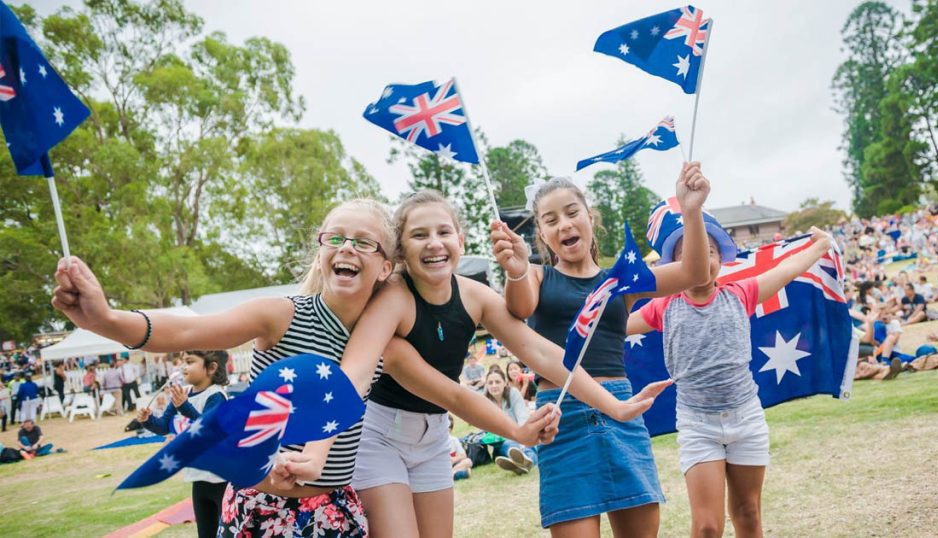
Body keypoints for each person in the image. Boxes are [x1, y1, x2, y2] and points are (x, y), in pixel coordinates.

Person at [52, 199, 556, 538]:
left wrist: (516, 427)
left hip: (335, 508)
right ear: (321, 251)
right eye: (335, 237)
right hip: (260, 505)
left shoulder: (387, 341)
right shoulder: (282, 314)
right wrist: (108, 319)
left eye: (363, 242)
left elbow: (455, 394)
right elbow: (188, 331)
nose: (347, 248)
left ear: (386, 267)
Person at [343, 190, 670, 538]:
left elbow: (542, 352)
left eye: (444, 232)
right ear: (401, 249)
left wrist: (615, 407)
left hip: (435, 435)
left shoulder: (474, 296)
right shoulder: (394, 298)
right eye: (419, 235)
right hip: (381, 436)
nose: (434, 244)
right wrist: (516, 431)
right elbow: (446, 394)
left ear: (461, 239)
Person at [490, 162, 712, 537]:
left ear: (590, 217)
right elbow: (520, 307)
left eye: (572, 212)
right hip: (561, 420)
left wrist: (691, 212)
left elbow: (694, 273)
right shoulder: (538, 276)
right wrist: (515, 270)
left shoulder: (623, 278)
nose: (564, 224)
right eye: (550, 219)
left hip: (621, 414)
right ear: (541, 234)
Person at [629, 220, 836, 538]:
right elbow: (614, 328)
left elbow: (787, 270)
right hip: (698, 426)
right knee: (708, 526)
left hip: (746, 420)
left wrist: (821, 245)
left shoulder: (742, 293)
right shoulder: (664, 306)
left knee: (748, 513)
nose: (701, 258)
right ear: (677, 267)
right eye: (689, 254)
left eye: (709, 251)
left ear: (720, 259)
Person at [138, 351, 229, 538]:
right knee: (205, 532)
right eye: (182, 362)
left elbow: (208, 429)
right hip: (198, 477)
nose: (183, 367)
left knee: (227, 532)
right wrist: (147, 420)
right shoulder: (183, 394)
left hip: (222, 479)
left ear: (211, 368)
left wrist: (185, 407)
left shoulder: (216, 395)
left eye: (189, 362)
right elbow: (164, 426)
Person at [484, 368, 538, 475]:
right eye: (490, 383)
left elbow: (522, 418)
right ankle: (524, 462)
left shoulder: (513, 394)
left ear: (505, 383)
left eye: (497, 382)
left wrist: (521, 440)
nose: (494, 386)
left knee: (527, 447)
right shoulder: (484, 400)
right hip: (502, 442)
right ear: (486, 385)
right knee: (509, 445)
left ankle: (521, 463)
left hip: (522, 435)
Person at [448, 416, 472, 481]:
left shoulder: (453, 440)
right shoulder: (435, 442)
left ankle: (450, 474)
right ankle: (455, 475)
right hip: (441, 466)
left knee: (468, 461)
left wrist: (453, 460)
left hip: (453, 465)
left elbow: (463, 455)